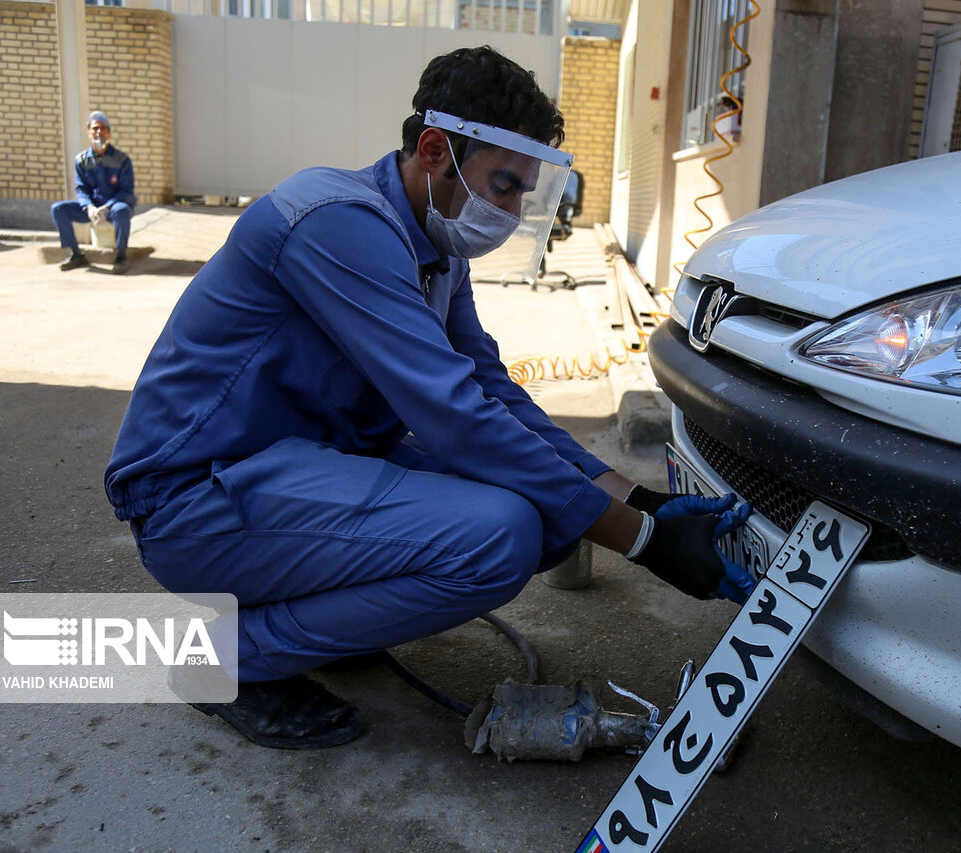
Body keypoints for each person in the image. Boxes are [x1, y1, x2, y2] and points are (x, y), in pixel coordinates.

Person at [104, 47, 753, 750]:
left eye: (523, 192)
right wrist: (647, 545)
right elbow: (452, 417)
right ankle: (224, 657)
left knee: (551, 511)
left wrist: (635, 500)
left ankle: (312, 618)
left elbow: (489, 389)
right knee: (500, 535)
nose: (510, 211)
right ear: (437, 151)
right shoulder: (335, 221)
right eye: (503, 185)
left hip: (291, 472)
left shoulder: (433, 244)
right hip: (195, 499)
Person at [52, 111, 136, 274]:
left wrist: (107, 207)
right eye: (95, 129)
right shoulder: (82, 160)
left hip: (113, 208)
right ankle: (75, 254)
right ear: (89, 133)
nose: (99, 133)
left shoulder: (122, 160)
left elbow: (126, 191)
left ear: (109, 133)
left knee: (122, 210)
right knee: (58, 209)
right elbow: (81, 188)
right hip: (92, 209)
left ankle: (121, 256)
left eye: (103, 129)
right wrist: (89, 207)